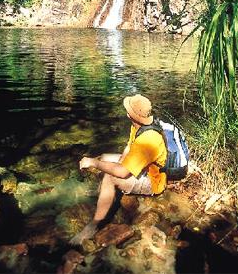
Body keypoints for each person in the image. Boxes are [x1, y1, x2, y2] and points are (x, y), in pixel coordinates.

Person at [69, 94, 167, 246]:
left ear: (130, 115)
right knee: (104, 158)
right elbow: (128, 149)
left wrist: (93, 163)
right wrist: (105, 162)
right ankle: (104, 196)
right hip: (144, 167)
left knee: (110, 176)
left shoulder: (149, 138)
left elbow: (122, 172)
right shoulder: (138, 126)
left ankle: (94, 225)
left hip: (153, 181)